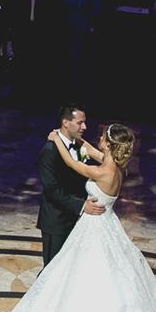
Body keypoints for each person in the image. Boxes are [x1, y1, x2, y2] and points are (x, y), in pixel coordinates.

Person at [3, 120, 156, 312]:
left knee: (85, 278)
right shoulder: (117, 167)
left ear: (108, 144)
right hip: (107, 225)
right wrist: (75, 139)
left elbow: (72, 164)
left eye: (102, 137)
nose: (98, 139)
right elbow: (92, 151)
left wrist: (56, 140)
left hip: (95, 229)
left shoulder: (102, 173)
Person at [34, 106, 104, 264]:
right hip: (57, 221)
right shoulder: (50, 151)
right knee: (52, 271)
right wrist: (82, 205)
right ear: (66, 123)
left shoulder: (80, 146)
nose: (84, 127)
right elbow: (52, 190)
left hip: (78, 220)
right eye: (80, 123)